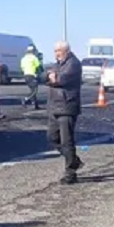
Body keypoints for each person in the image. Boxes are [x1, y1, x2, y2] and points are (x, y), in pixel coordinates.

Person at [46, 41, 83, 184]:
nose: (56, 53)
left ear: (66, 50)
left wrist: (53, 78)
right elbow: (45, 75)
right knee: (52, 138)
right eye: (55, 50)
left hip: (67, 107)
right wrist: (50, 77)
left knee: (67, 141)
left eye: (59, 50)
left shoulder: (73, 64)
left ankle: (70, 174)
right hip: (55, 107)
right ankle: (73, 160)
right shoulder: (57, 64)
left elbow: (61, 80)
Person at [20, 45, 42, 110]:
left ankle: (35, 105)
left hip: (26, 76)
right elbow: (38, 66)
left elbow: (22, 68)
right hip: (32, 75)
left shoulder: (23, 58)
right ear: (33, 51)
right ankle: (25, 99)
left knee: (32, 90)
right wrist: (40, 72)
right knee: (34, 90)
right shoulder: (33, 58)